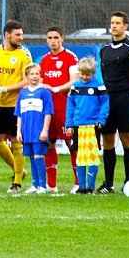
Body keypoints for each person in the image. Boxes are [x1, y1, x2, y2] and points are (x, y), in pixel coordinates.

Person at [98, 11, 129, 193]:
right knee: (107, 140)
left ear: (125, 25)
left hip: (125, 98)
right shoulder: (104, 49)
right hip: (108, 99)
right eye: (112, 23)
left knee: (126, 139)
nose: (114, 26)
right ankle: (108, 184)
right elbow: (104, 74)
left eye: (118, 23)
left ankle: (128, 182)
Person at [0, 20, 33, 193]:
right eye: (17, 35)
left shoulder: (24, 54)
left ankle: (17, 182)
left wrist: (6, 89)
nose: (21, 38)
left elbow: (27, 80)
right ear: (7, 35)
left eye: (21, 34)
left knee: (16, 140)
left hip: (16, 104)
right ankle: (19, 170)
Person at [40, 26, 80, 192]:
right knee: (49, 144)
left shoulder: (70, 57)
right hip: (48, 109)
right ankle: (51, 185)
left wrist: (55, 89)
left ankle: (78, 183)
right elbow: (41, 81)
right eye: (50, 38)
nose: (53, 41)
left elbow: (75, 81)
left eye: (56, 37)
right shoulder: (45, 59)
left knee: (71, 144)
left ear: (62, 38)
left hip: (65, 107)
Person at [65, 57, 109, 194]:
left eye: (87, 74)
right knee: (80, 156)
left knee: (92, 156)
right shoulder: (75, 86)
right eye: (82, 74)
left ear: (93, 73)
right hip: (78, 125)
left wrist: (101, 120)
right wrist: (69, 124)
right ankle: (82, 187)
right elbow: (70, 106)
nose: (84, 77)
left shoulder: (99, 86)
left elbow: (105, 105)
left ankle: (90, 186)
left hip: (93, 126)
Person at [15, 63, 54, 194]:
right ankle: (35, 184)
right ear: (26, 76)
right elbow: (19, 114)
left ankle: (43, 186)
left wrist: (45, 130)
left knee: (38, 156)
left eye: (37, 73)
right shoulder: (23, 93)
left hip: (39, 131)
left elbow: (48, 113)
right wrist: (18, 131)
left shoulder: (44, 92)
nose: (34, 76)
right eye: (32, 74)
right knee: (31, 156)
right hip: (26, 131)